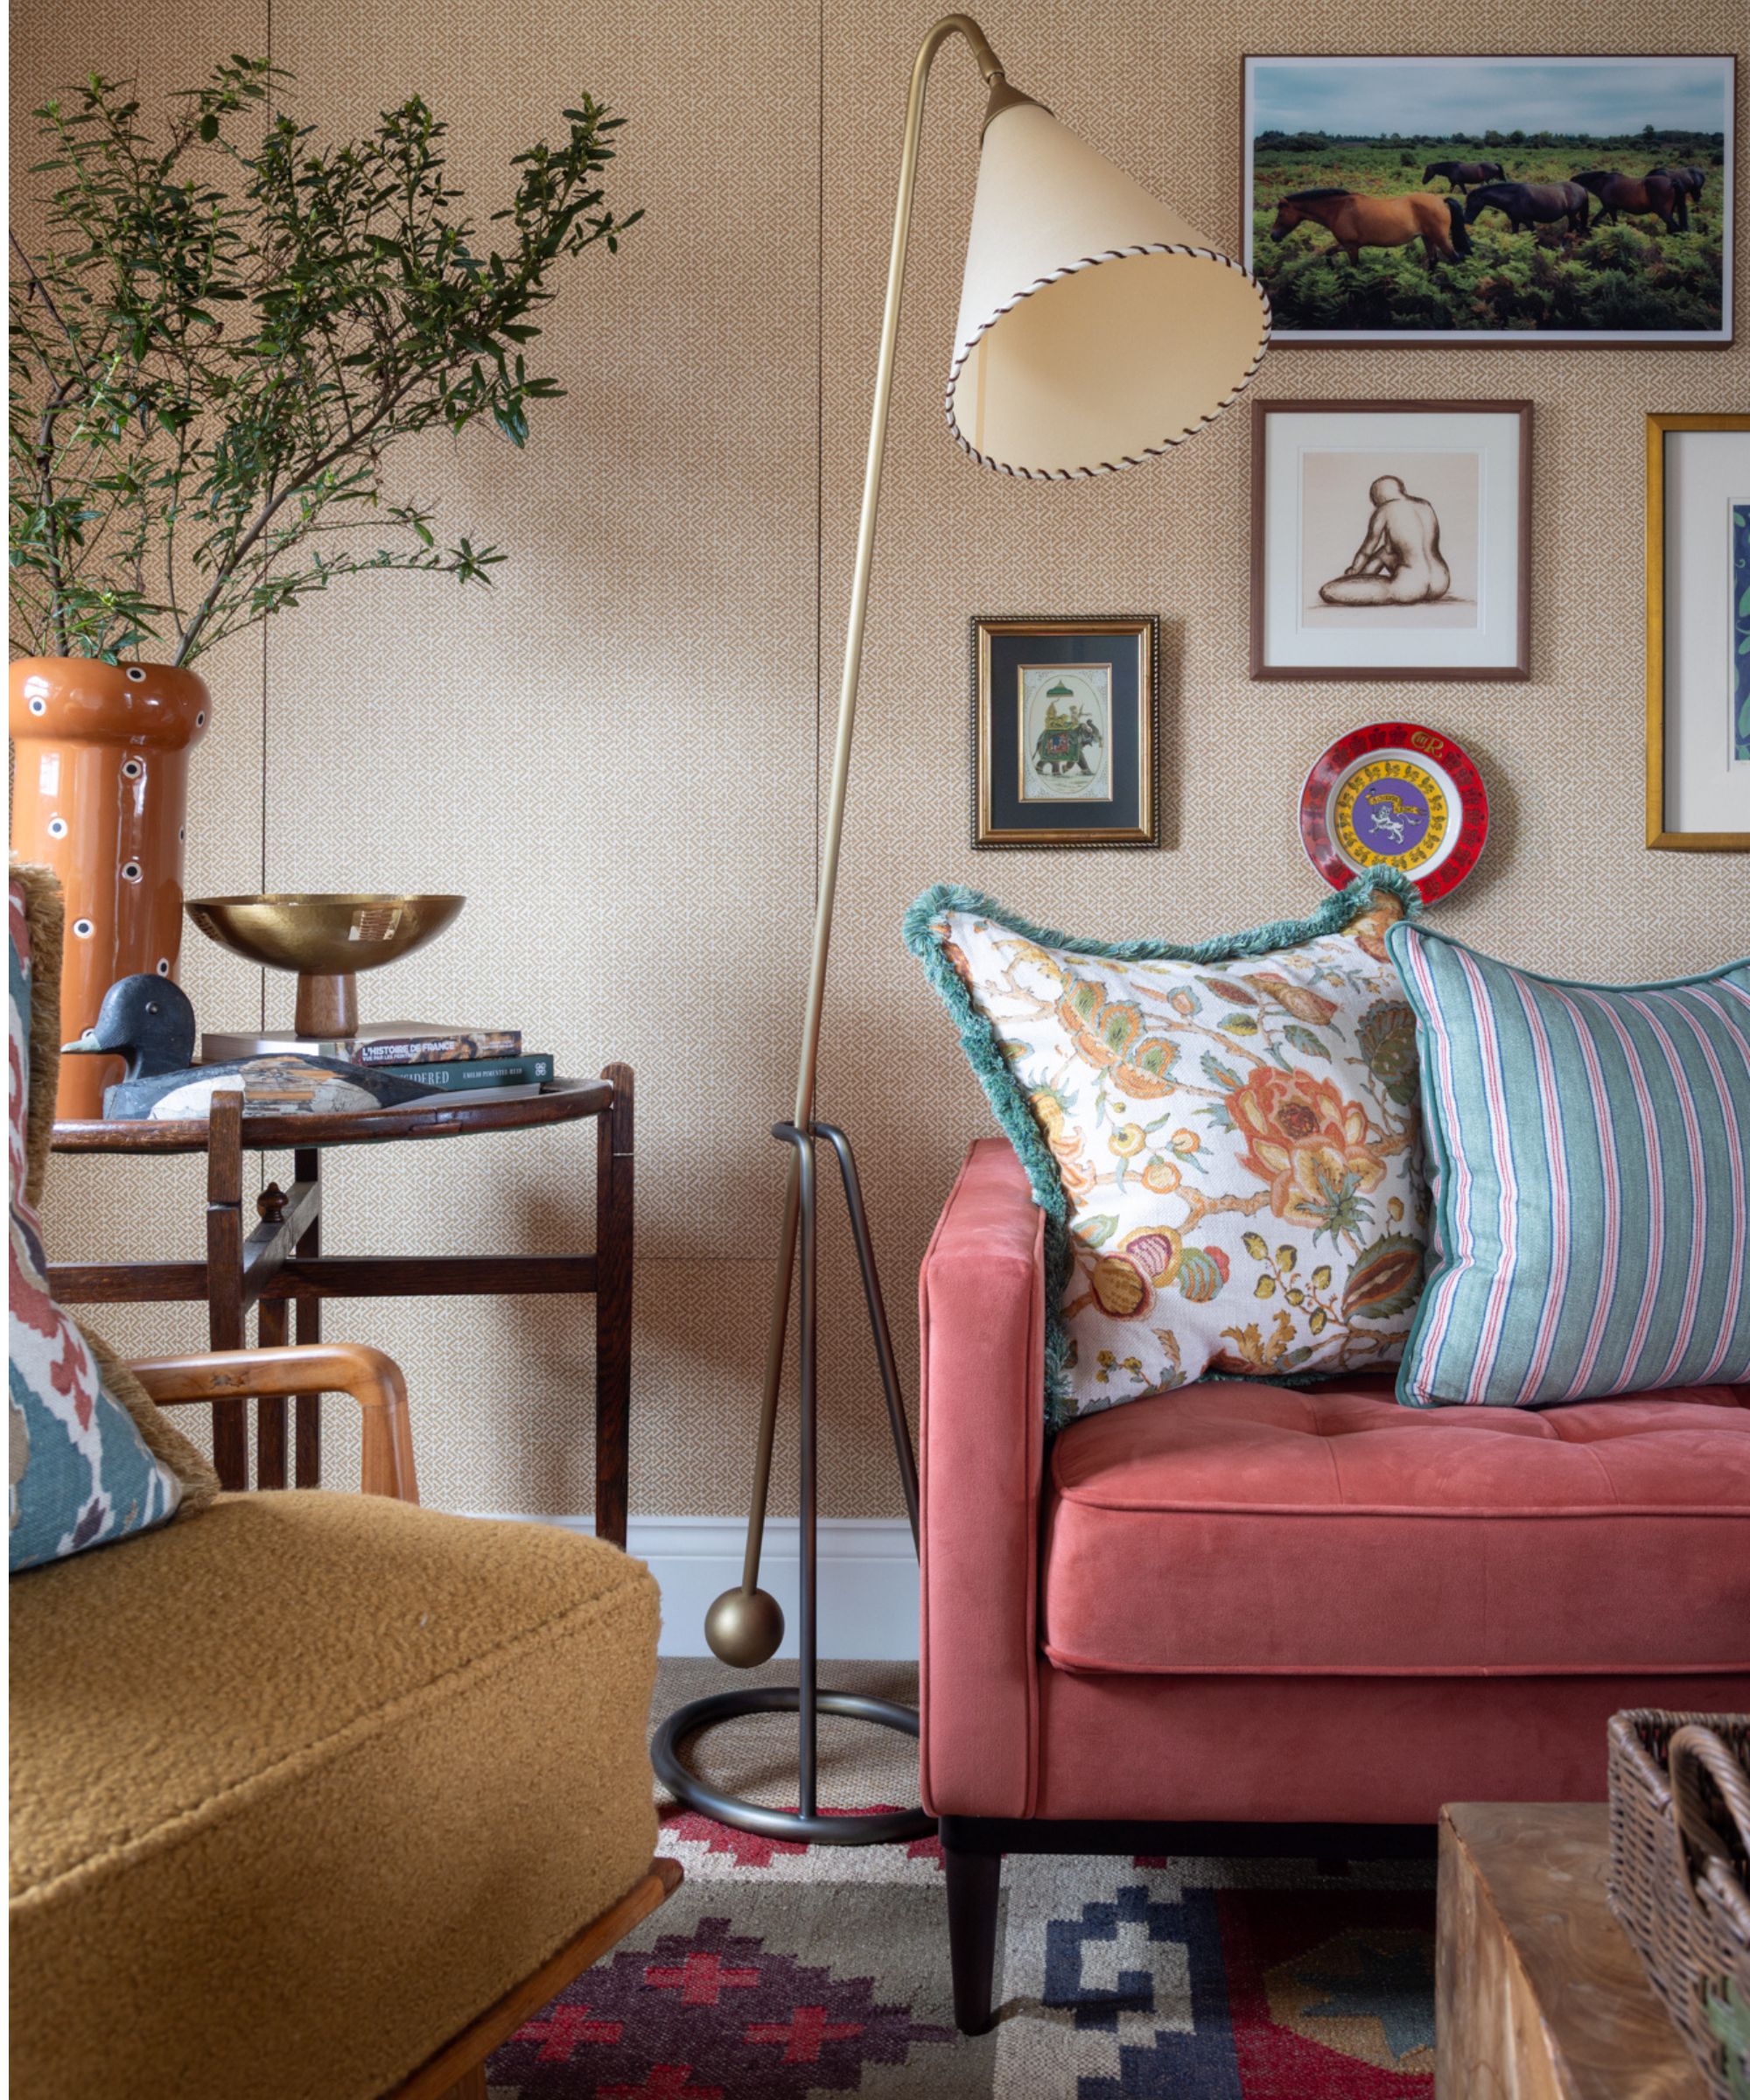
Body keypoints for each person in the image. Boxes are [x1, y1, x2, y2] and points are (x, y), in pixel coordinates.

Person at [1319, 475, 1450, 606]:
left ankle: (1358, 579)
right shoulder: (1425, 506)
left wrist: (1353, 570)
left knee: (1328, 591)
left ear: (1377, 497)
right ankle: (1363, 578)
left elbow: (1366, 551)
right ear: (1401, 490)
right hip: (1440, 582)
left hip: (1408, 587)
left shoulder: (1384, 510)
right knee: (1384, 552)